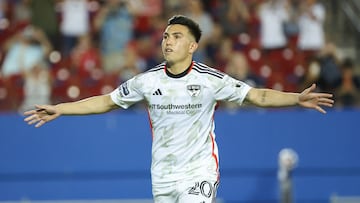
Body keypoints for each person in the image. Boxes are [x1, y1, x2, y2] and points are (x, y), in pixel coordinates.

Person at [24, 15, 334, 203]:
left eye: (176, 37)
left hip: (198, 171)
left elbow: (258, 97)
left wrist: (296, 98)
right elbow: (106, 101)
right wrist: (61, 108)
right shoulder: (146, 81)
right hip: (162, 175)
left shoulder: (211, 80)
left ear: (192, 46)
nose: (167, 42)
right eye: (165, 37)